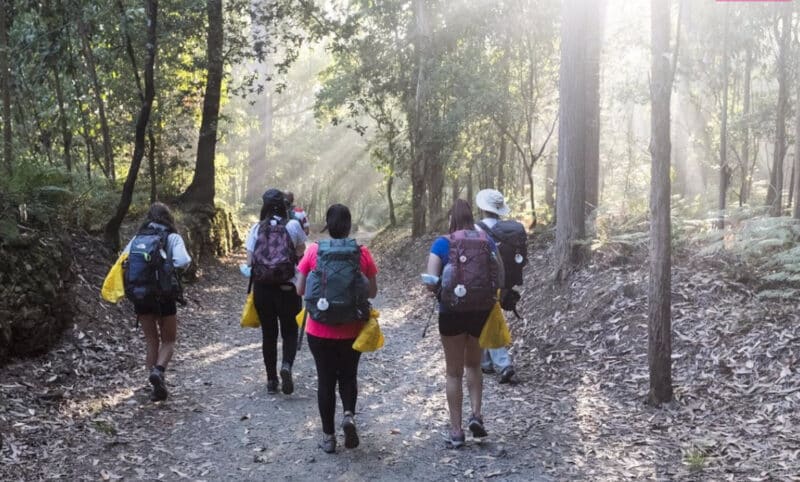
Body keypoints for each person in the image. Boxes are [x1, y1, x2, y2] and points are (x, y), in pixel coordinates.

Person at [296, 204, 378, 454]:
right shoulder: (362, 253)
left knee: (325, 380)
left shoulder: (313, 252)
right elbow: (372, 291)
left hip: (319, 328)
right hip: (353, 328)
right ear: (349, 225)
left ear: (327, 226)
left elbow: (300, 290)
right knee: (349, 375)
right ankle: (349, 416)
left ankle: (328, 437)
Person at [425, 199, 504, 448]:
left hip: (451, 312)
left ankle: (456, 431)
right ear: (472, 217)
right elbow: (500, 276)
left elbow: (430, 280)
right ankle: (477, 416)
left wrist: (441, 291)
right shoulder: (486, 241)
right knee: (474, 366)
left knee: (453, 372)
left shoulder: (442, 243)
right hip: (480, 311)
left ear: (452, 219)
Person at [121, 202, 191, 402]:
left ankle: (154, 383)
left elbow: (124, 260)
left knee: (152, 340)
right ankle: (159, 372)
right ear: (168, 217)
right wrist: (168, 269)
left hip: (141, 295)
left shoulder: (138, 238)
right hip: (165, 295)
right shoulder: (172, 237)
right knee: (168, 340)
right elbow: (183, 261)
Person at [246, 189, 307, 394]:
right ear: (284, 205)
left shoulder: (256, 228)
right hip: (288, 288)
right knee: (289, 330)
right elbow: (301, 255)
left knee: (268, 334)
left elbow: (249, 262)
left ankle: (271, 380)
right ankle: (286, 365)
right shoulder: (293, 226)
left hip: (263, 289)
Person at [474, 189, 522, 385]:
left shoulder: (477, 229)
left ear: (483, 208)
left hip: (483, 282)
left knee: (488, 320)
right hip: (503, 282)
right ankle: (485, 362)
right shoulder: (508, 229)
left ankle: (504, 364)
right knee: (486, 318)